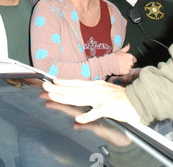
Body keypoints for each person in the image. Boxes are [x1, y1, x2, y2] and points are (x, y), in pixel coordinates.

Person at [42, 43, 173, 127]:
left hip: (108, 115)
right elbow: (46, 70)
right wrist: (111, 65)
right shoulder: (49, 6)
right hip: (69, 118)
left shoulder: (113, 12)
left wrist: (140, 97)